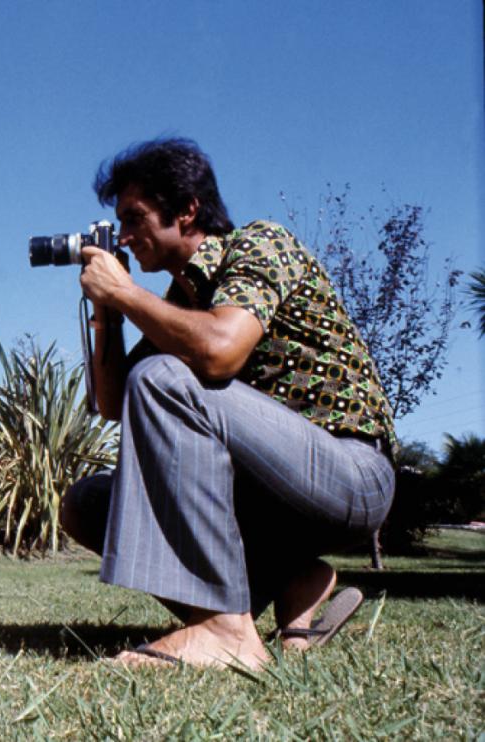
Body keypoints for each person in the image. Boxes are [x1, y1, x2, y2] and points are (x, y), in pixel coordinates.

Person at [60, 138, 396, 669]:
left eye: (135, 217)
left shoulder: (260, 244)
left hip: (349, 474)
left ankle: (223, 629)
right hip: (268, 496)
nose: (124, 235)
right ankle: (295, 581)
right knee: (87, 504)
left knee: (164, 374)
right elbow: (111, 402)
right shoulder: (178, 303)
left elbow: (218, 352)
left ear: (187, 208)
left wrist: (127, 293)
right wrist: (109, 312)